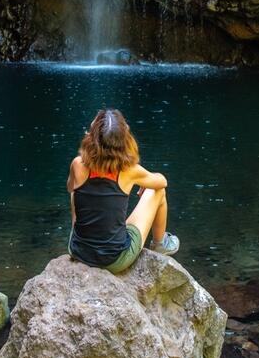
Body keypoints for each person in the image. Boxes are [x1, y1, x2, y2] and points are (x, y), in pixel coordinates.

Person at [66, 107, 179, 273]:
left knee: (76, 191)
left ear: (92, 137)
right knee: (157, 192)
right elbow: (162, 182)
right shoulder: (129, 170)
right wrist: (145, 180)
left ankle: (86, 238)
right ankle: (160, 244)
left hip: (78, 251)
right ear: (124, 140)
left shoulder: (78, 164)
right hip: (114, 260)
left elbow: (70, 187)